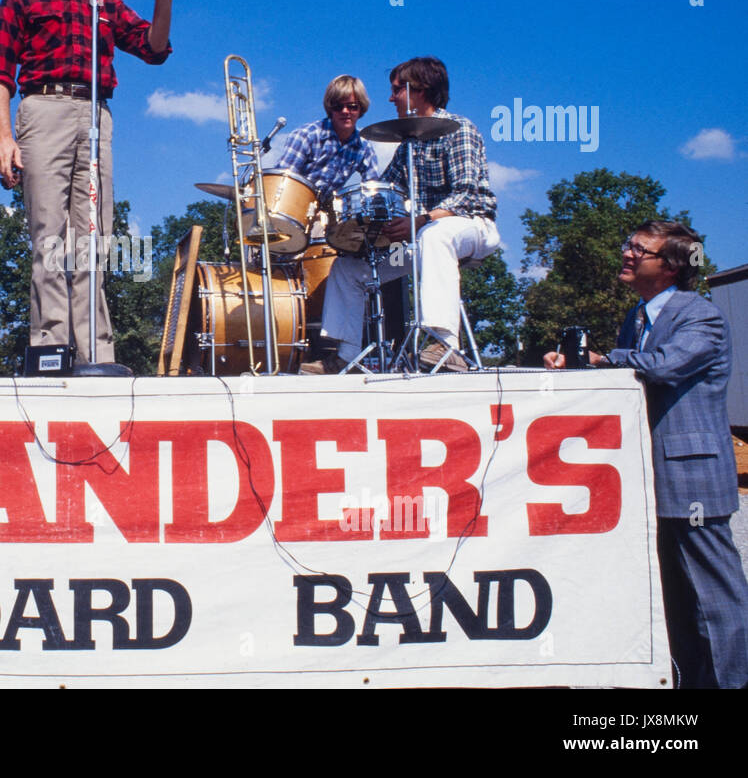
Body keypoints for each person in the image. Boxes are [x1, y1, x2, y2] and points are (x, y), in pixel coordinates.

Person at [544, 220, 748, 688]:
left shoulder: (701, 316)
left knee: (714, 597)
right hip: (647, 474)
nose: (628, 253)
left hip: (691, 477)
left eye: (640, 249)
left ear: (673, 266)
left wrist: (600, 359)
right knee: (672, 596)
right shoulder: (637, 319)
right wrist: (576, 365)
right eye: (629, 245)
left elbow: (664, 367)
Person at [0, 0, 178, 364]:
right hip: (43, 109)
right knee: (49, 235)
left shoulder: (104, 1)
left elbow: (153, 49)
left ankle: (96, 352)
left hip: (95, 114)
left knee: (94, 237)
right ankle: (50, 348)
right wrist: (3, 136)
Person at [309, 56, 499, 373]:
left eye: (397, 90)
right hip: (419, 240)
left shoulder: (459, 129)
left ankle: (446, 345)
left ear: (420, 90)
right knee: (348, 267)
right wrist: (351, 220)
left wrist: (420, 220)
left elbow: (467, 194)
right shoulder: (407, 146)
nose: (391, 97)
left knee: (436, 234)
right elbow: (383, 192)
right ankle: (347, 355)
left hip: (472, 227)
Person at [272, 74, 377, 203]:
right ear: (330, 108)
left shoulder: (364, 148)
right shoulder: (306, 136)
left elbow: (373, 188)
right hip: (291, 205)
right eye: (338, 106)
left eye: (352, 106)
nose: (345, 111)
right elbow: (279, 182)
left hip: (324, 214)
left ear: (361, 108)